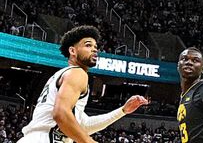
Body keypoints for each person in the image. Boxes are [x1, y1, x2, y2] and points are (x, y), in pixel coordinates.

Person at [18, 25, 148, 143]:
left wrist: (122, 111)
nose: (94, 50)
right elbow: (61, 114)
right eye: (88, 45)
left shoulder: (61, 75)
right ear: (72, 51)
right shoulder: (77, 73)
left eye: (96, 47)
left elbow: (83, 126)